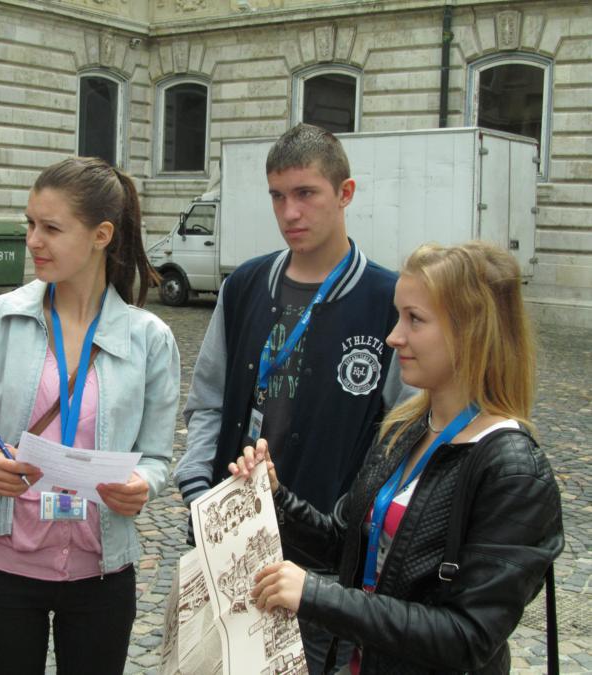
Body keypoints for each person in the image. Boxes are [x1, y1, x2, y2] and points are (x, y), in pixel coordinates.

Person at [230, 241, 564, 674]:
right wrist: (275, 497)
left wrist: (316, 596)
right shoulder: (405, 430)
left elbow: (469, 637)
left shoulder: (513, 471)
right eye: (398, 316)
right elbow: (343, 544)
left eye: (414, 319)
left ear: (471, 330)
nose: (393, 336)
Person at [174, 123, 408, 671]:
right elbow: (208, 401)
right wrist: (197, 489)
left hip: (322, 565)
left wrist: (357, 525)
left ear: (345, 193)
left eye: (306, 193)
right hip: (230, 543)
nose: (290, 212)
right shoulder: (245, 285)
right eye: (277, 196)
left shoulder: (387, 299)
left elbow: (404, 432)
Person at [0, 157, 181, 674]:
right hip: (2, 568)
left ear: (101, 235)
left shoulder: (149, 339)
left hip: (102, 573)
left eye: (51, 228)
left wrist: (143, 485)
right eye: (30, 223)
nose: (33, 241)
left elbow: (158, 457)